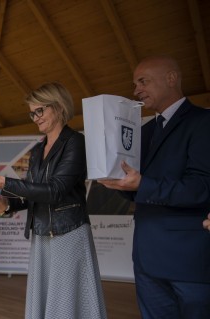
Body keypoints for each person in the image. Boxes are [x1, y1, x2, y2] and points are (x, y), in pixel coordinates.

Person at [0, 82, 107, 319]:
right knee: (47, 303)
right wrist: (7, 204)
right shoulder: (37, 150)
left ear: (58, 106)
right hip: (42, 234)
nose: (35, 117)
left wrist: (4, 182)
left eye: (40, 111)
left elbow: (55, 190)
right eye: (32, 113)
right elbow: (34, 193)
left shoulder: (75, 142)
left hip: (69, 233)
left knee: (66, 303)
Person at [98, 56, 210, 318]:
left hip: (188, 260)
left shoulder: (203, 122)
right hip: (146, 259)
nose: (136, 90)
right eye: (135, 84)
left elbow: (202, 187)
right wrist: (116, 183)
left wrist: (142, 183)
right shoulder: (143, 132)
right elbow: (140, 191)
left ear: (171, 79)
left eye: (143, 81)